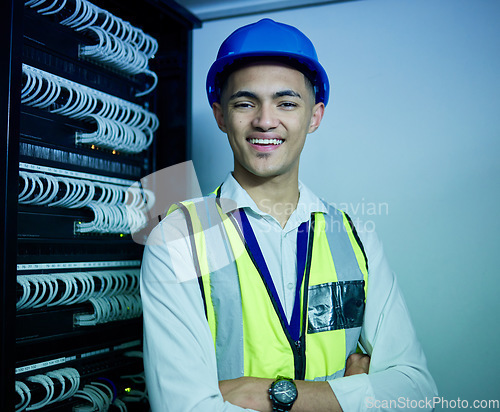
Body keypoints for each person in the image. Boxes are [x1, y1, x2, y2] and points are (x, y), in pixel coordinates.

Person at [140, 18, 437, 411]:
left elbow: (417, 391)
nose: (265, 120)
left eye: (286, 103)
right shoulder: (179, 237)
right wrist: (348, 396)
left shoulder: (356, 237)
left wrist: (271, 395)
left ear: (314, 116)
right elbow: (186, 408)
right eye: (245, 103)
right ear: (220, 115)